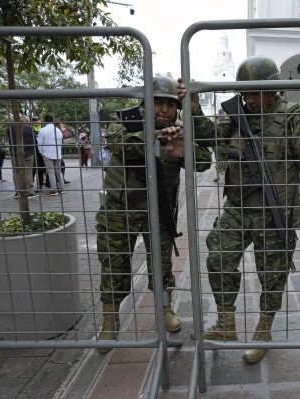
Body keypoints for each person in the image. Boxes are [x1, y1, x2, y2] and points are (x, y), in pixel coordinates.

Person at [163, 56, 300, 364]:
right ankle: (226, 324)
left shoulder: (292, 118)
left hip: (276, 214)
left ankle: (263, 331)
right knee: (217, 256)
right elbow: (208, 134)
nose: (253, 99)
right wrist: (192, 109)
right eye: (248, 93)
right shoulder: (235, 114)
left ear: (272, 89)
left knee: (272, 275)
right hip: (238, 208)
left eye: (259, 92)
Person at [95, 76, 213, 354]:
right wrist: (155, 139)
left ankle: (166, 309)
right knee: (114, 266)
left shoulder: (180, 131)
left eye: (170, 105)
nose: (163, 110)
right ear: (145, 104)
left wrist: (183, 149)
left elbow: (205, 161)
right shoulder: (124, 123)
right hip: (118, 212)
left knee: (160, 267)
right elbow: (121, 144)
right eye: (157, 103)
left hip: (159, 213)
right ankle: (110, 322)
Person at [8, 116, 37, 199]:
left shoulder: (11, 127)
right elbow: (35, 141)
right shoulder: (29, 128)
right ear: (25, 121)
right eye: (28, 121)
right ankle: (28, 191)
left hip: (15, 153)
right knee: (28, 172)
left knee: (16, 172)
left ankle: (18, 191)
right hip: (28, 153)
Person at [37, 115, 64, 196]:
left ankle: (54, 189)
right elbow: (60, 142)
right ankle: (62, 188)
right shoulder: (58, 130)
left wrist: (41, 152)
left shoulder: (43, 130)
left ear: (45, 121)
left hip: (47, 153)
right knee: (58, 171)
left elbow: (40, 143)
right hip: (57, 153)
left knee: (50, 171)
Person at [32, 116, 47, 191]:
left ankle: (49, 183)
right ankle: (39, 185)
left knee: (46, 168)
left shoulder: (44, 128)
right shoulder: (31, 128)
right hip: (36, 151)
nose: (35, 121)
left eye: (36, 120)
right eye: (33, 120)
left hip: (44, 150)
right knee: (38, 168)